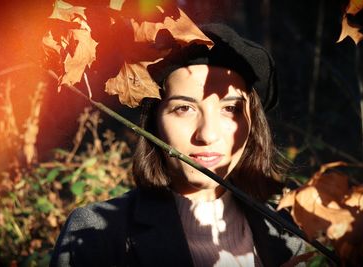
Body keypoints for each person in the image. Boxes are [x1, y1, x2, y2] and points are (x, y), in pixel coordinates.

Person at [50, 23, 305, 267]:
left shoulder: (288, 235)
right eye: (184, 108)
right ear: (154, 122)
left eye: (229, 108)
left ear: (252, 123)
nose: (207, 134)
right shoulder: (97, 233)